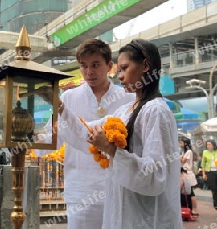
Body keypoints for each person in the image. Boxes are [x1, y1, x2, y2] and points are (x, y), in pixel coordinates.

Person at [59, 39, 181, 228]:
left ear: (145, 66)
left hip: (145, 215)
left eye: (124, 69)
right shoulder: (126, 110)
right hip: (123, 209)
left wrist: (111, 149)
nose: (120, 76)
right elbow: (87, 133)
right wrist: (59, 106)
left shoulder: (156, 111)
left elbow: (155, 176)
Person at [36, 38, 134, 228]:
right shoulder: (69, 97)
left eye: (96, 65)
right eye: (84, 66)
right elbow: (53, 138)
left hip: (119, 188)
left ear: (110, 66)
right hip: (81, 189)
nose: (89, 72)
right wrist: (26, 138)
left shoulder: (127, 98)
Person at [201, 139, 217, 210]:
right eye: (207, 145)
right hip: (210, 172)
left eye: (209, 144)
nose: (208, 146)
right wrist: (203, 174)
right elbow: (203, 164)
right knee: (214, 188)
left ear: (213, 145)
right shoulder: (205, 152)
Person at [179, 137, 199, 216]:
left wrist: (178, 157)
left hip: (188, 174)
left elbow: (182, 161)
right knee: (186, 192)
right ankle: (188, 208)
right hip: (184, 174)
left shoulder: (189, 151)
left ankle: (194, 209)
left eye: (181, 143)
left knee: (191, 192)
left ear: (185, 143)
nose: (180, 144)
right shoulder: (185, 152)